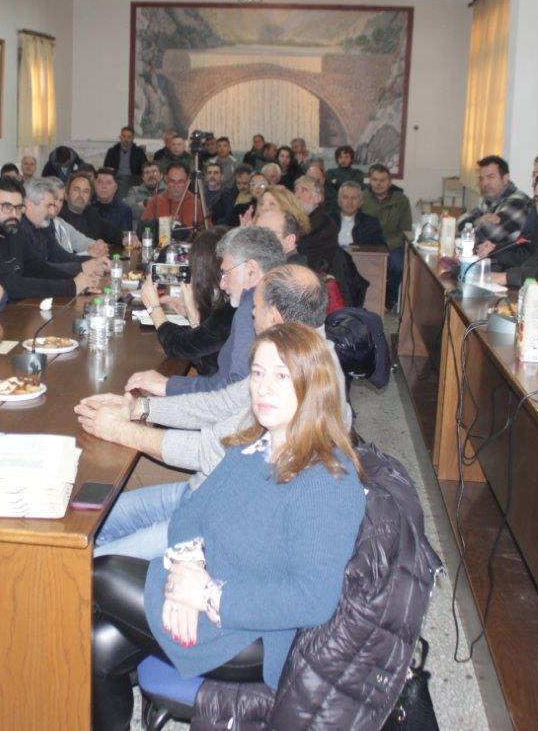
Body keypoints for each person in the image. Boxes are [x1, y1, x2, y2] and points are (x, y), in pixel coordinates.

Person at [90, 321, 366, 729]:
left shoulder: (326, 478)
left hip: (251, 631)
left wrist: (208, 595)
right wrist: (187, 568)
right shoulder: (253, 445)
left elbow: (312, 599)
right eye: (258, 373)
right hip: (204, 584)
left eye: (281, 376)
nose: (263, 388)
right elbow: (191, 511)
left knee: (100, 573)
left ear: (314, 385)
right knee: (96, 642)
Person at [81, 264, 345, 558]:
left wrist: (120, 430)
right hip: (205, 493)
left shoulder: (299, 380)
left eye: (256, 307)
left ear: (274, 317)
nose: (251, 314)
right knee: (89, 522)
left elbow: (209, 451)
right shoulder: (293, 356)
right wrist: (141, 408)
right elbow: (222, 403)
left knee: (89, 563)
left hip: (218, 526)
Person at [125, 226, 283, 398]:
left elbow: (233, 393)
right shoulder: (275, 297)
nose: (222, 284)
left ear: (251, 270)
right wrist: (193, 316)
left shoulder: (248, 311)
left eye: (226, 273)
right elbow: (213, 368)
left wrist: (168, 386)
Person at [0, 176, 96, 301]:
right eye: (7, 207)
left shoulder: (12, 229)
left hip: (18, 307)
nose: (14, 215)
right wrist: (70, 286)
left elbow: (35, 266)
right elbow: (11, 286)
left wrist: (76, 280)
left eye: (18, 208)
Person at [139, 227, 235, 377]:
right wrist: (192, 313)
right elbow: (206, 360)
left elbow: (178, 346)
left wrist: (154, 308)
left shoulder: (229, 312)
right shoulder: (229, 302)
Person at [21, 177, 103, 280]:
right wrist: (81, 268)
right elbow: (38, 269)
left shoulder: (44, 224)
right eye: (48, 205)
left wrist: (92, 260)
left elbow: (59, 256)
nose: (52, 211)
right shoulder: (20, 230)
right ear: (29, 204)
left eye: (60, 201)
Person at [358, 163, 413, 307]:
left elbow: (406, 229)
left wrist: (387, 245)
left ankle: (389, 296)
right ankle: (365, 299)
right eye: (375, 179)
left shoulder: (401, 200)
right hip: (368, 244)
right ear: (370, 181)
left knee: (398, 266)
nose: (378, 183)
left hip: (393, 244)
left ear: (389, 182)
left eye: (382, 180)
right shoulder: (361, 198)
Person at [457, 156, 532, 248]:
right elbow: (459, 223)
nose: (484, 183)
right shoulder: (490, 200)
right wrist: (479, 221)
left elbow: (484, 238)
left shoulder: (518, 202)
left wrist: (470, 228)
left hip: (508, 257)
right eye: (481, 179)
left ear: (505, 178)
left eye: (490, 177)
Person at [142, 161, 209, 232]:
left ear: (187, 181)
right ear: (166, 180)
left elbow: (208, 233)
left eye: (180, 181)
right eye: (172, 181)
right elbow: (144, 229)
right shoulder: (154, 202)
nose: (176, 186)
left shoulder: (197, 204)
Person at [59, 172, 122, 247]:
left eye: (86, 191)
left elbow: (114, 233)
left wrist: (126, 238)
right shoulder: (57, 216)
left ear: (89, 199)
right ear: (66, 194)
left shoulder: (92, 214)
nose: (81, 195)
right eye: (76, 189)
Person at [292, 175, 338, 272]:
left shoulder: (326, 224)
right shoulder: (291, 220)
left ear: (317, 198)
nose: (297, 196)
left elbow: (314, 259)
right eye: (296, 191)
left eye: (304, 190)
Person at [329, 181, 387, 249]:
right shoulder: (328, 221)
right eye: (345, 197)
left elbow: (381, 249)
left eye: (354, 198)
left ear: (360, 202)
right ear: (339, 201)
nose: (349, 202)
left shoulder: (371, 223)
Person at [93, 168, 134, 235]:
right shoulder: (88, 208)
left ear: (115, 187)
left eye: (108, 182)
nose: (104, 186)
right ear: (94, 185)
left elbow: (125, 238)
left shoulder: (124, 211)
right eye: (100, 182)